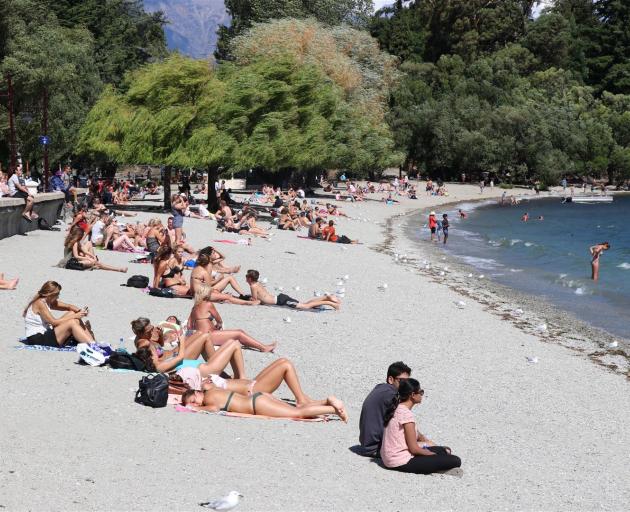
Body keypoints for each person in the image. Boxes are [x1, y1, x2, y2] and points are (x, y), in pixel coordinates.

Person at [381, 378, 461, 475]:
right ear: (413, 395)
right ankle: (435, 469)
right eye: (420, 392)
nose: (422, 395)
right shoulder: (406, 414)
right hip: (399, 461)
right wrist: (431, 454)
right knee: (455, 460)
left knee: (443, 450)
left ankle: (434, 464)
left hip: (390, 458)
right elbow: (413, 448)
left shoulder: (396, 408)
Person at [181, 382, 348, 422]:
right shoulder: (211, 389)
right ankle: (326, 401)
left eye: (194, 400)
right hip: (258, 398)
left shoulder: (209, 398)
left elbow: (215, 409)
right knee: (294, 409)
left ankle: (334, 410)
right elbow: (208, 384)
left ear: (197, 393)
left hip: (256, 405)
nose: (195, 404)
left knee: (297, 413)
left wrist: (195, 410)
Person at [187, 284, 275, 352]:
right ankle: (263, 348)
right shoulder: (208, 304)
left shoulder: (194, 308)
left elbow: (189, 326)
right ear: (206, 294)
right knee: (239, 333)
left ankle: (255, 344)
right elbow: (219, 320)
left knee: (237, 334)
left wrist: (200, 325)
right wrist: (217, 325)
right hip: (210, 335)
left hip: (202, 336)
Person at [358, 361, 411, 457]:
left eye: (408, 382)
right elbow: (405, 422)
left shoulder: (381, 388)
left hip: (367, 445)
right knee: (422, 447)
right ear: (391, 379)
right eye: (402, 381)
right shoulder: (391, 394)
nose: (406, 386)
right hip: (375, 448)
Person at [22, 281, 94, 347]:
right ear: (49, 294)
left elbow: (69, 307)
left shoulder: (48, 301)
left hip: (45, 333)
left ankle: (92, 342)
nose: (58, 296)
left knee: (72, 314)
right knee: (72, 322)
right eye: (57, 294)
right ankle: (92, 345)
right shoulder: (40, 303)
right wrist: (75, 316)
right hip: (37, 339)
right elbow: (54, 322)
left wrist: (80, 311)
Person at [246, 269, 341, 310]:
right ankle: (325, 298)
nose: (245, 278)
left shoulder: (253, 286)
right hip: (280, 298)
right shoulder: (257, 283)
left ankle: (331, 303)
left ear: (250, 279)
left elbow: (256, 300)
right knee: (306, 303)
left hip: (281, 301)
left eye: (246, 276)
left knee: (306, 306)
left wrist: (248, 300)